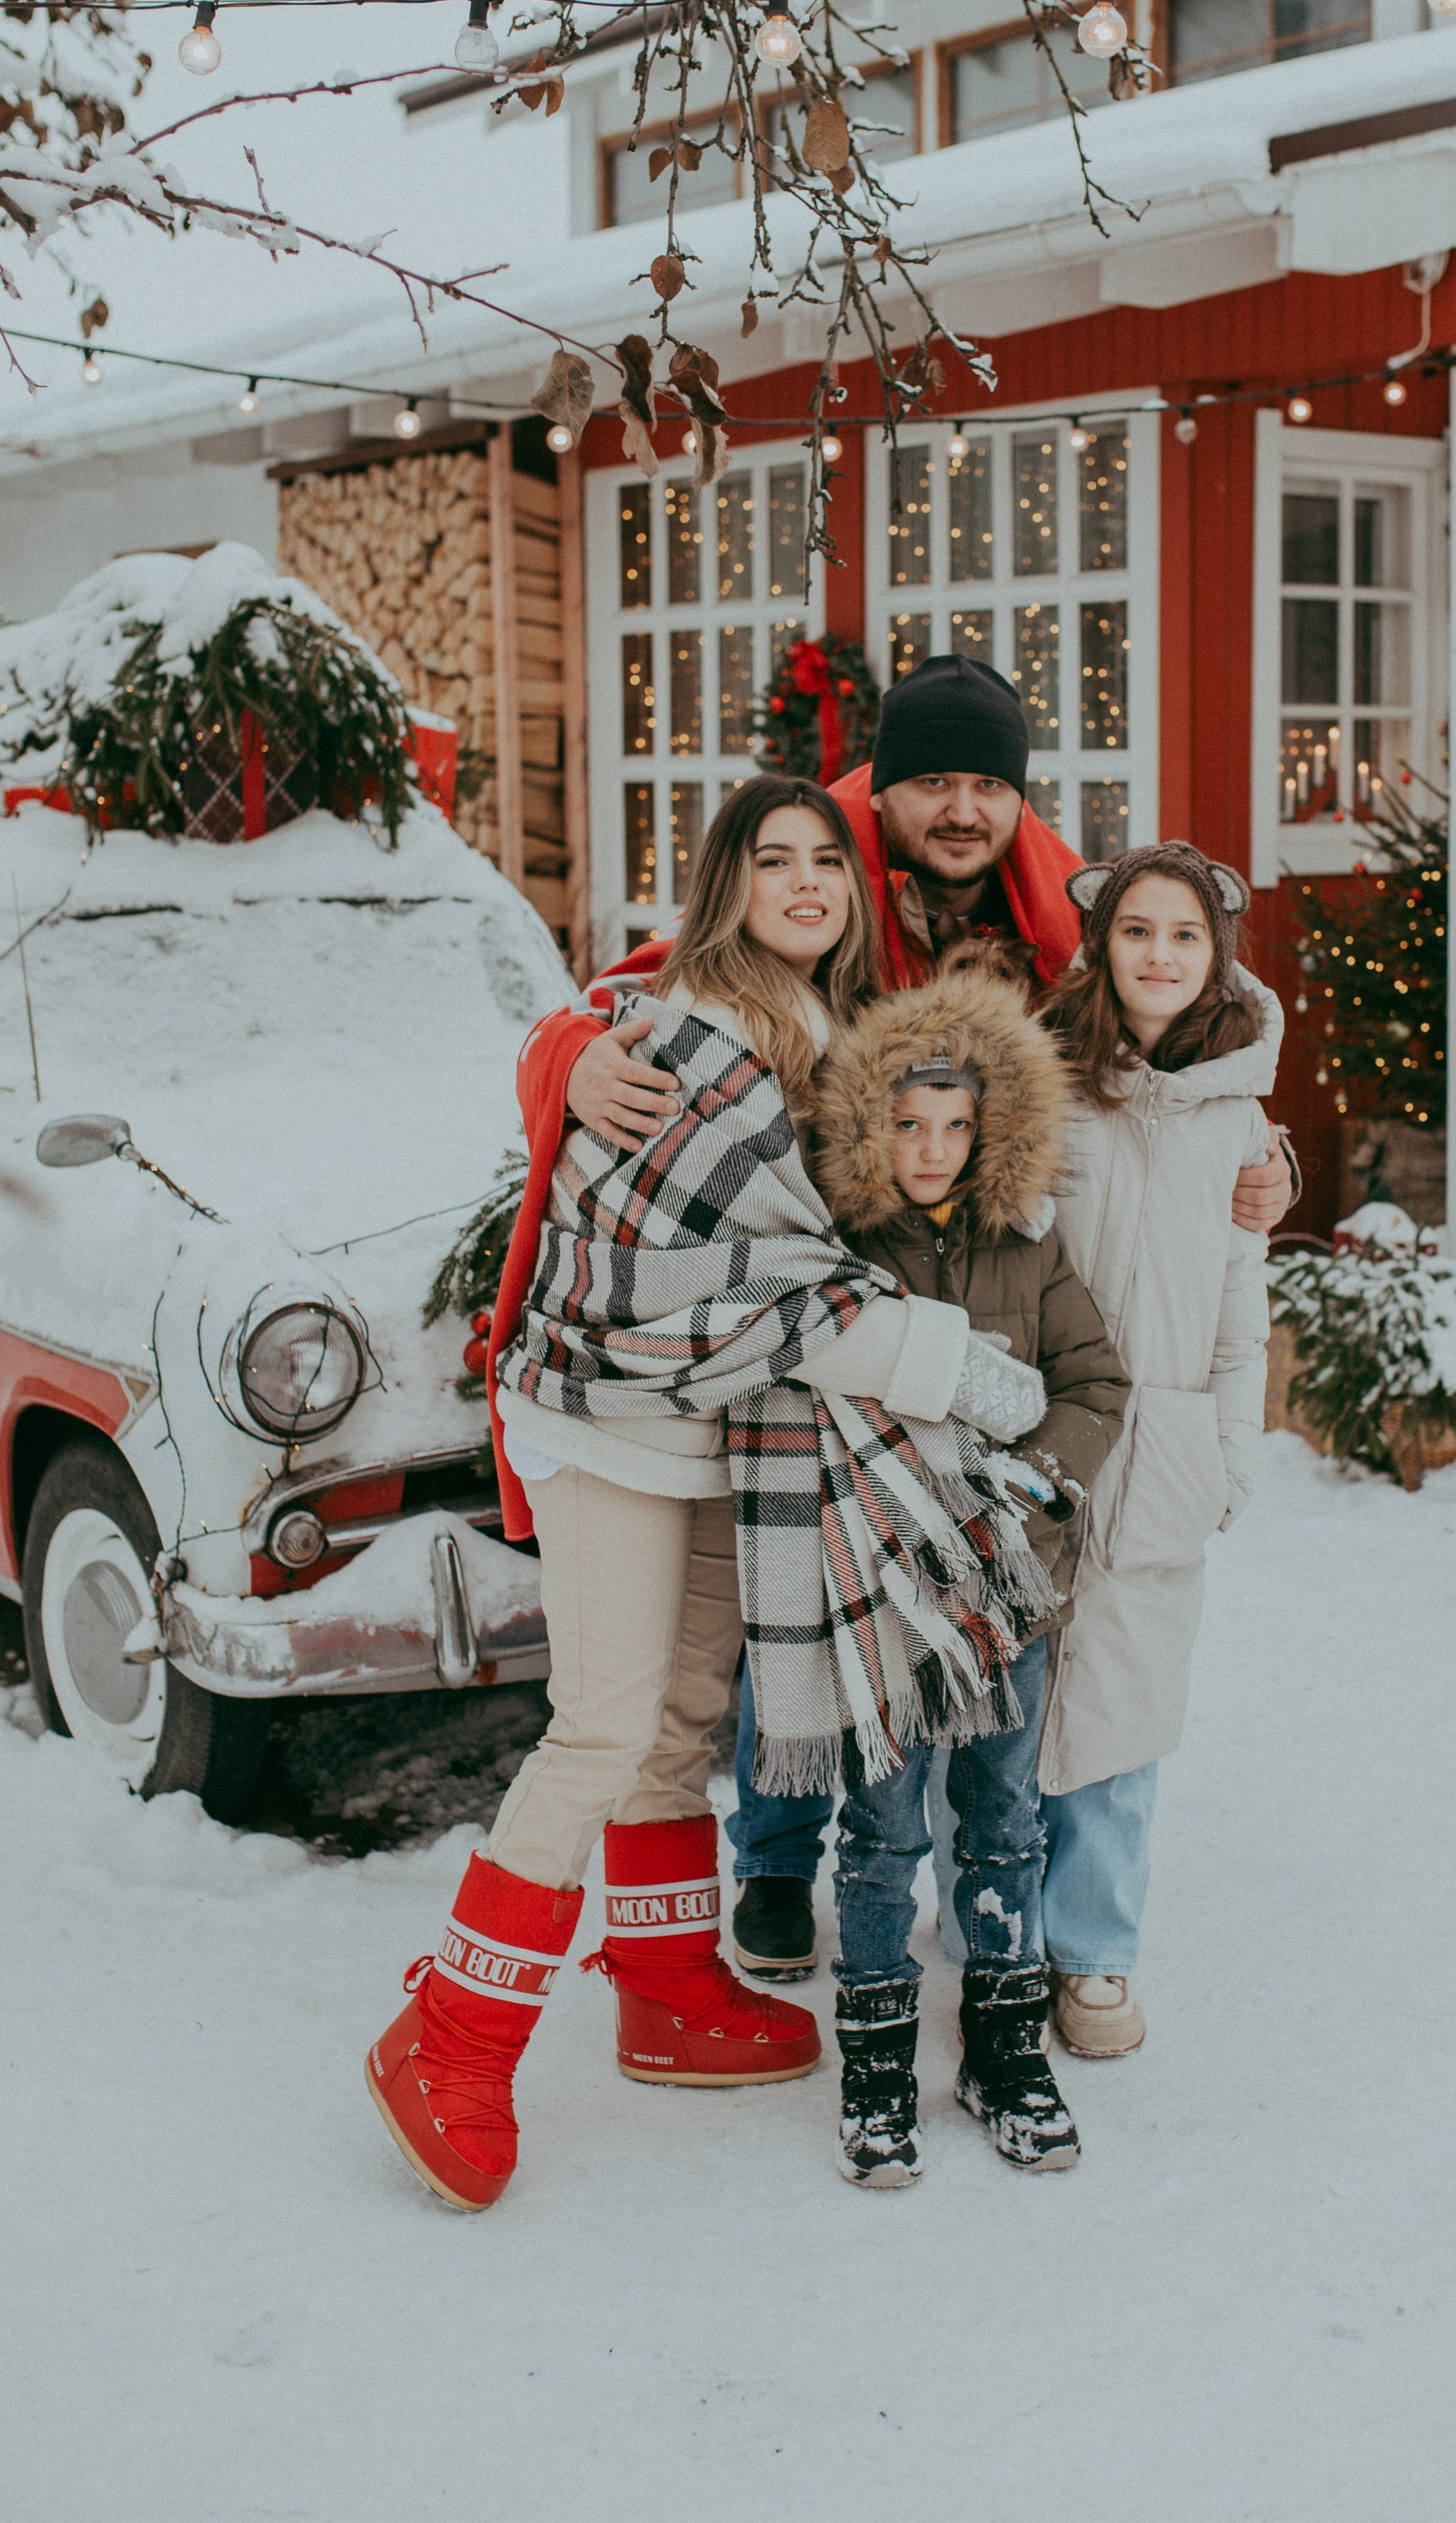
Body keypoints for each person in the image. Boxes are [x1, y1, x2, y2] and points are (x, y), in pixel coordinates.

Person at [532, 655, 1296, 1980]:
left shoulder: (1049, 918)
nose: (961, 807)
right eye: (932, 780)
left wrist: (1257, 1154)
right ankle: (775, 1858)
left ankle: (974, 1871)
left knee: (952, 1590)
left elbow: (1162, 1039)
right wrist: (567, 1053)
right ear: (880, 790)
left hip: (979, 1286)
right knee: (800, 1568)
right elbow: (654, 990)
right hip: (818, 1291)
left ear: (1017, 798)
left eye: (987, 784)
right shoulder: (818, 880)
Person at [363, 777, 1051, 2212]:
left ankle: (669, 1986)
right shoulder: (691, 1028)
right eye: (772, 860)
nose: (805, 883)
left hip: (703, 1423)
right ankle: (451, 2036)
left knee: (684, 1709)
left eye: (826, 864)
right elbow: (772, 1281)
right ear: (724, 883)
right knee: (605, 1718)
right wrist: (949, 1362)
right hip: (611, 1413)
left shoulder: (816, 1028)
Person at [805, 970, 1130, 2181]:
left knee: (1005, 1821)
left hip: (1010, 1591)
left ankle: (1003, 2045)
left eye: (957, 1125)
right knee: (883, 1829)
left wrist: (1042, 1480)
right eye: (908, 1123)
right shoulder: (841, 1252)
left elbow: (1096, 1384)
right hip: (885, 1593)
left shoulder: (1027, 1252)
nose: (933, 1148)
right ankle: (880, 2060)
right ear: (868, 1126)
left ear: (992, 1131)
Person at [1030, 841, 1278, 2059]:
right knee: (1012, 1695)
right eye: (1139, 931)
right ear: (1101, 944)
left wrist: (1231, 1454)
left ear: (1216, 953)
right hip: (1038, 1436)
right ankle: (995, 1930)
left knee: (1124, 1714)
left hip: (1167, 1444)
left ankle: (1095, 1956)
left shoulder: (1239, 1121)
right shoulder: (1048, 1082)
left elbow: (1244, 1310)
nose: (1162, 955)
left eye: (1185, 935)